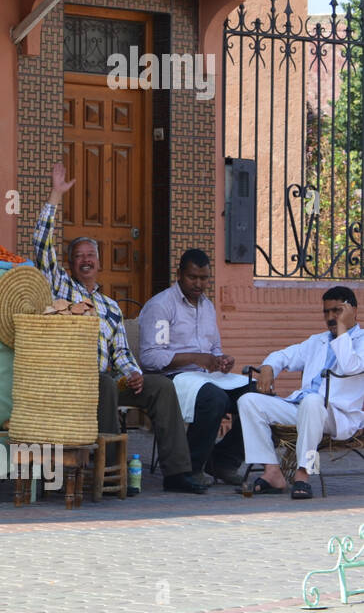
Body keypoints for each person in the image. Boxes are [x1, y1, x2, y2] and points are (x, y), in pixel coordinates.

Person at [35, 162, 206, 494]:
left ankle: (177, 473)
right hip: (73, 380)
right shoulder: (60, 287)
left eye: (91, 255)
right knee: (105, 383)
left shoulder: (111, 307)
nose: (86, 260)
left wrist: (133, 373)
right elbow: (42, 247)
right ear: (71, 264)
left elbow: (123, 354)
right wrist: (55, 195)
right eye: (79, 256)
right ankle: (112, 474)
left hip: (109, 381)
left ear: (99, 263)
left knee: (159, 387)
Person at [237, 286, 364, 499]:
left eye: (337, 311)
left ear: (353, 312)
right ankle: (272, 472)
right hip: (303, 407)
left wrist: (343, 330)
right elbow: (285, 355)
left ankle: (304, 474)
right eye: (326, 312)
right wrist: (269, 367)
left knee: (313, 401)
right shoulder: (318, 340)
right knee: (248, 401)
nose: (331, 317)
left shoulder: (361, 341)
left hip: (338, 416)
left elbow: (350, 365)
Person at [138, 249, 248, 487]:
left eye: (204, 278)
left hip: (205, 376)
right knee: (215, 399)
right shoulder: (162, 306)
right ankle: (189, 469)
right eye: (192, 277)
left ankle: (223, 460)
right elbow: (151, 358)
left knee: (255, 395)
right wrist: (197, 358)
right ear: (179, 274)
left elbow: (214, 348)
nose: (199, 284)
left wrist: (222, 360)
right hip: (173, 377)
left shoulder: (207, 307)